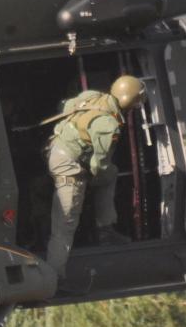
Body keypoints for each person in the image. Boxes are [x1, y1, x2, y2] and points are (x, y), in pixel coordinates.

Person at [45, 75, 145, 275]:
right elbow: (99, 164)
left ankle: (105, 229)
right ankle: (54, 276)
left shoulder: (92, 96)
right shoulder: (108, 125)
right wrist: (92, 177)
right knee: (65, 226)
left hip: (56, 148)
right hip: (67, 168)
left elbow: (66, 107)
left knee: (111, 174)